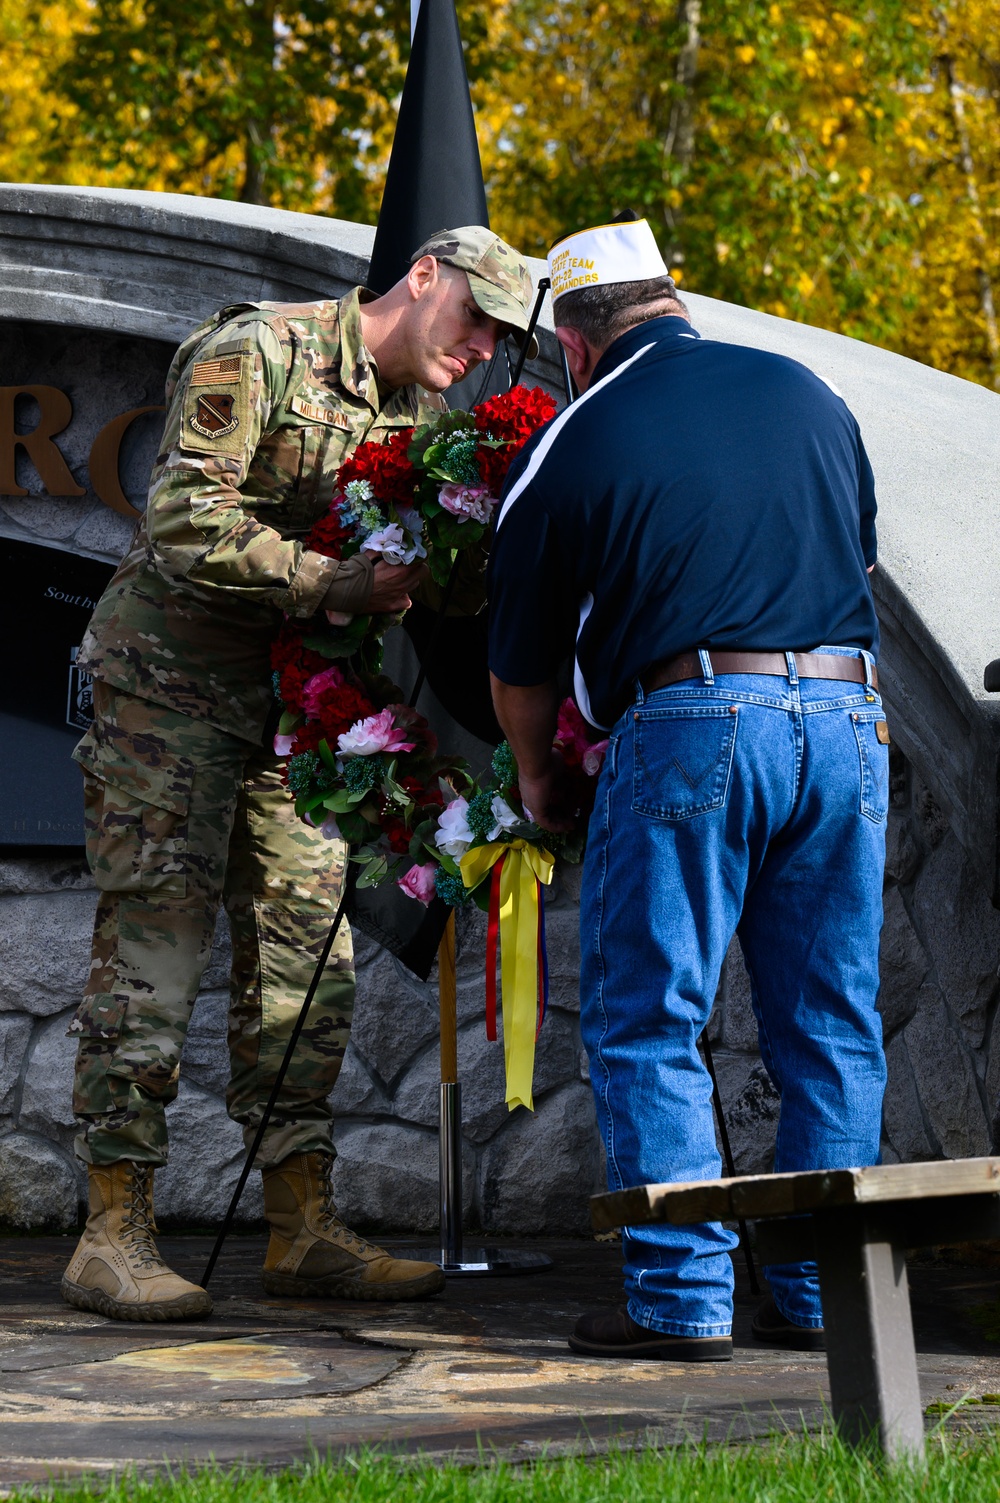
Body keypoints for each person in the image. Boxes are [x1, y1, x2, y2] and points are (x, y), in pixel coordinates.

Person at [63, 226, 537, 1322]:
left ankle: (300, 1224)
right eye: (475, 324)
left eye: (503, 344)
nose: (481, 355)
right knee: (156, 947)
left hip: (297, 709)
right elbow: (184, 516)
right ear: (424, 278)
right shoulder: (261, 350)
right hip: (167, 695)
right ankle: (111, 1229)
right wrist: (335, 582)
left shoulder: (419, 419)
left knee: (302, 959)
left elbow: (427, 568)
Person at [487, 219, 888, 1361]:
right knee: (829, 1021)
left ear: (572, 338)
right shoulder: (809, 392)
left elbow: (518, 661)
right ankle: (821, 1297)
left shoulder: (577, 430)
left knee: (650, 1015)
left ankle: (677, 1303)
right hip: (848, 719)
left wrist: (538, 775)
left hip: (695, 721)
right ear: (673, 299)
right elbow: (854, 562)